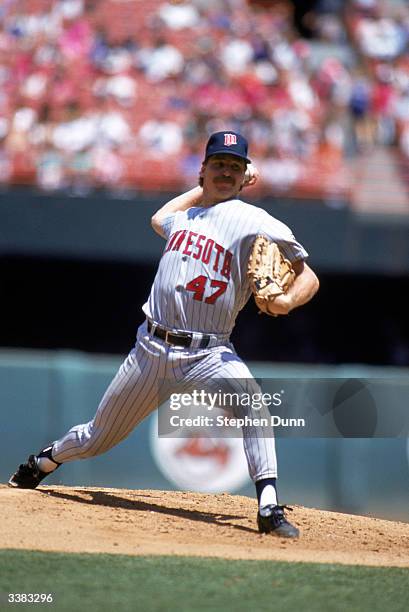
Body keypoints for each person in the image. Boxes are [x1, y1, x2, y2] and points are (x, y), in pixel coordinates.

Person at [9, 131, 319, 538]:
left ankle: (268, 507)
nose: (226, 172)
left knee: (253, 404)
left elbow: (307, 273)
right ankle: (45, 461)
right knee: (97, 438)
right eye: (219, 164)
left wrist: (288, 301)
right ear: (202, 171)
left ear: (246, 177)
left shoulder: (256, 221)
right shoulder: (184, 219)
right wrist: (201, 190)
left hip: (209, 354)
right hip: (150, 349)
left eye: (235, 166)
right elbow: (157, 219)